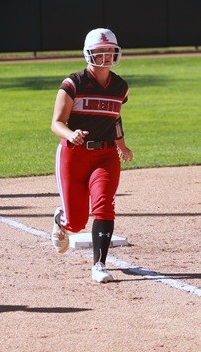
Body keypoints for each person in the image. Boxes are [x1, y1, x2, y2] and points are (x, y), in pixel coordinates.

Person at [50, 28, 134, 284]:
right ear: (89, 54)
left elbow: (115, 116)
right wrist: (70, 133)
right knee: (76, 223)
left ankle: (99, 264)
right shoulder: (73, 83)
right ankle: (60, 219)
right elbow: (56, 123)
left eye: (110, 51)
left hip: (106, 155)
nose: (106, 56)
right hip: (74, 155)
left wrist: (121, 144)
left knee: (104, 205)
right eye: (101, 52)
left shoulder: (121, 86)